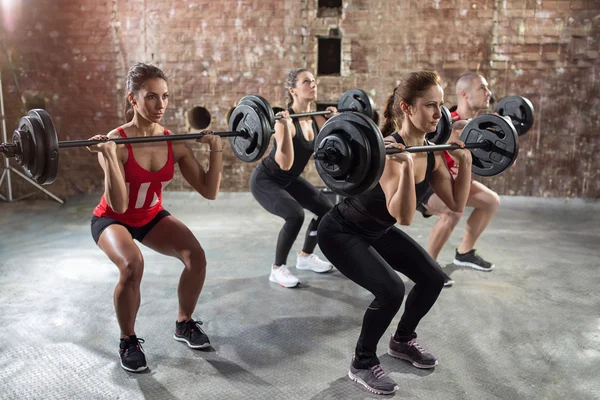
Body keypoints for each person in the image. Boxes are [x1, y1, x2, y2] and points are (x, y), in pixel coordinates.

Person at [317, 71, 472, 395]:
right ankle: (362, 362)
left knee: (433, 278)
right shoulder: (389, 152)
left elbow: (456, 202)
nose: (437, 114)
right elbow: (404, 216)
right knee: (390, 290)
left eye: (440, 106)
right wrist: (402, 168)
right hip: (342, 231)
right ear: (406, 107)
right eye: (430, 105)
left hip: (376, 229)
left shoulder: (430, 151)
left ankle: (402, 340)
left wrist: (465, 160)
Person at [88, 62, 222, 372]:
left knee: (196, 256)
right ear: (132, 99)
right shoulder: (115, 141)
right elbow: (119, 206)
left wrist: (216, 150)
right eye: (151, 97)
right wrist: (108, 156)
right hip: (112, 219)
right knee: (132, 265)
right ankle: (128, 339)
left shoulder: (173, 142)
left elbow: (208, 190)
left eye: (164, 97)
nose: (160, 104)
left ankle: (184, 322)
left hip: (150, 216)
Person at [250, 68, 337, 288]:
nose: (313, 84)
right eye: (306, 81)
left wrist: (335, 121)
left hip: (289, 179)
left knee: (326, 210)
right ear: (293, 90)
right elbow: (286, 163)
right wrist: (286, 129)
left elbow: (331, 149)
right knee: (295, 215)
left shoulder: (317, 118)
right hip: (266, 180)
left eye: (314, 80)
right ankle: (277, 269)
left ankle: (305, 257)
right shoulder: (284, 122)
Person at [418, 73, 500, 282]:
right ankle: (427, 269)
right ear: (464, 94)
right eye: (482, 88)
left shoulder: (481, 127)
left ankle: (464, 253)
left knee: (490, 201)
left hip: (456, 183)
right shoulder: (444, 123)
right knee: (453, 210)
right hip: (429, 184)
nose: (488, 92)